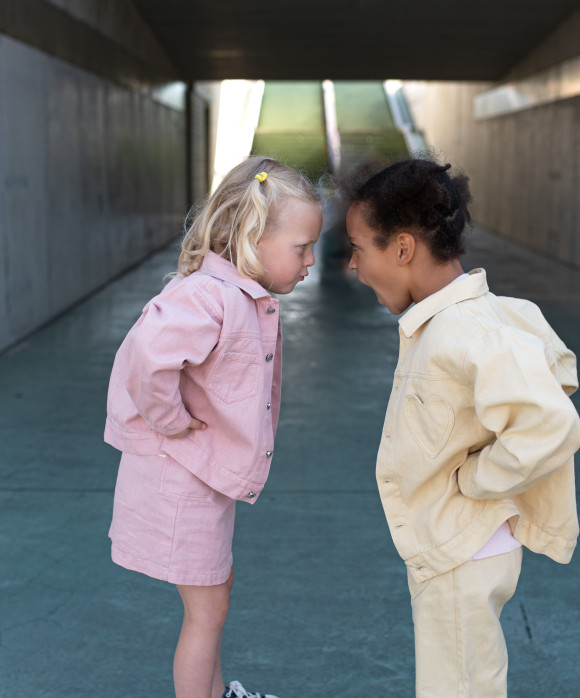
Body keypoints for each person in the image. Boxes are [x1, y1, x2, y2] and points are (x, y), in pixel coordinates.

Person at [344, 157, 580, 697]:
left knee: (457, 687)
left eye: (360, 249)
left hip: (463, 550)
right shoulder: (459, 320)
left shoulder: (467, 330)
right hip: (462, 547)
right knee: (469, 681)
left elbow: (548, 425)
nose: (354, 266)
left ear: (402, 249)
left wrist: (478, 480)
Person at [104, 156, 323, 698]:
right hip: (179, 479)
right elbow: (147, 358)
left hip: (200, 480)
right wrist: (171, 421)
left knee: (214, 595)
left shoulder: (238, 296)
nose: (311, 261)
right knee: (208, 609)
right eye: (301, 248)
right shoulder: (209, 296)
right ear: (252, 237)